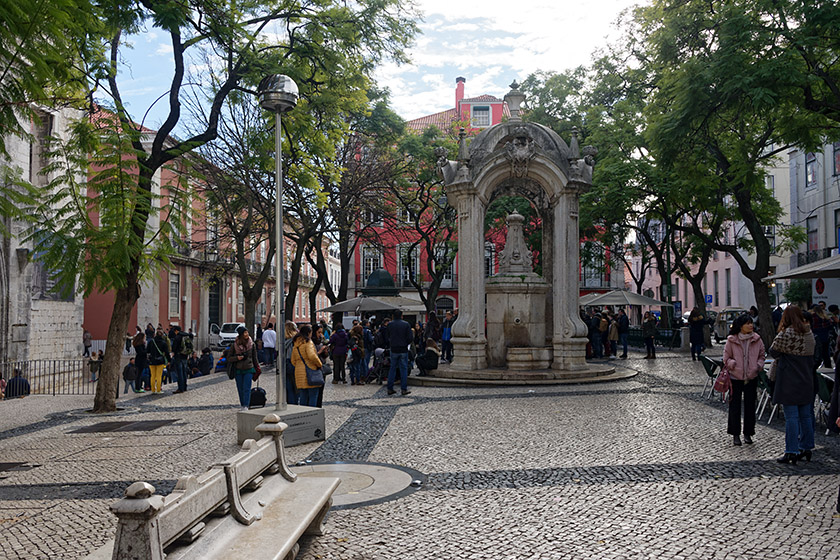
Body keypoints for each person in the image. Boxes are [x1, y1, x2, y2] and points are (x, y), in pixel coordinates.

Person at [769, 305, 816, 464]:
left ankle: (791, 451)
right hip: (806, 379)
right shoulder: (809, 333)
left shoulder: (786, 334)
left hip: (789, 380)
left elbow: (773, 351)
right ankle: (807, 447)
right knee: (806, 416)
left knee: (792, 418)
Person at [722, 313, 765, 446]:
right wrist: (732, 364)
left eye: (751, 323)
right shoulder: (732, 340)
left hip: (751, 377)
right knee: (734, 407)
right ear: (740, 326)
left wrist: (758, 366)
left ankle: (748, 433)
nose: (750, 325)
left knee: (750, 406)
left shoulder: (757, 339)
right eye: (747, 323)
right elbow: (726, 357)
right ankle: (735, 434)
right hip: (736, 377)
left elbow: (762, 355)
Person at [291, 324, 323, 407]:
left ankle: (303, 415)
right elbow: (312, 356)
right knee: (313, 395)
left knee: (303, 396)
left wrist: (299, 365)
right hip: (310, 371)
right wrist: (319, 364)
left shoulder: (296, 344)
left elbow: (293, 360)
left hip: (299, 372)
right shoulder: (308, 342)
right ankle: (312, 416)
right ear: (309, 333)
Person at [229, 326, 259, 411]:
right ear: (241, 334)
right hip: (238, 369)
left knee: (246, 388)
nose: (247, 334)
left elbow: (255, 357)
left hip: (249, 368)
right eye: (245, 333)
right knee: (240, 388)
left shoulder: (251, 344)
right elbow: (229, 357)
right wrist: (237, 358)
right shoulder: (235, 345)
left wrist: (257, 368)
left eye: (247, 332)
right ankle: (242, 404)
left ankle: (246, 405)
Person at [386, 309, 413, 396]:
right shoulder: (406, 324)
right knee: (403, 369)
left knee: (392, 368)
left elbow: (387, 336)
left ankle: (390, 388)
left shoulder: (390, 325)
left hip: (393, 348)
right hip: (403, 349)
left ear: (393, 316)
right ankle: (403, 389)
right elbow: (410, 338)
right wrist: (405, 343)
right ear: (402, 315)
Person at [146, 328, 170, 394]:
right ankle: (158, 390)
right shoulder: (163, 343)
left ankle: (153, 390)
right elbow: (167, 352)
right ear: (162, 335)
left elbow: (147, 351)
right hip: (160, 361)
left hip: (151, 361)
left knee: (153, 376)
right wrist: (169, 360)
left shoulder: (151, 341)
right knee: (159, 376)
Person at [171, 325, 192, 393]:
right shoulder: (186, 336)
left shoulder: (177, 337)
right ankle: (185, 387)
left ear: (176, 330)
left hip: (179, 356)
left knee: (179, 373)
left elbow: (174, 348)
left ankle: (180, 388)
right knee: (184, 372)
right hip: (185, 356)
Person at [811, 304, 833, 369]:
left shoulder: (812, 317)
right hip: (825, 337)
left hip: (816, 337)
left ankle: (816, 366)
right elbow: (830, 326)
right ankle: (828, 367)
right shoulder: (825, 316)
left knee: (817, 353)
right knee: (826, 353)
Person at [283, 321, 299, 404]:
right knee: (296, 387)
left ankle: (290, 403)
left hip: (285, 364)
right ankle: (295, 403)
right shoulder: (295, 340)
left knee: (288, 387)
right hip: (294, 362)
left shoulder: (282, 341)